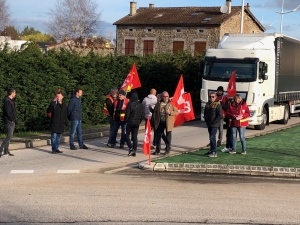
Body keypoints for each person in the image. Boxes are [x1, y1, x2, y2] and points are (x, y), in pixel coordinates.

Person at [151, 91, 178, 155]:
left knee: (168, 135)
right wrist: (150, 109)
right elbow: (155, 112)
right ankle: (158, 150)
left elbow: (177, 112)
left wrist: (170, 113)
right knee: (158, 135)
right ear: (162, 97)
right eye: (164, 96)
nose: (166, 97)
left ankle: (168, 149)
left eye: (167, 96)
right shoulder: (159, 104)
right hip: (160, 121)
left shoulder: (171, 104)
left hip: (168, 122)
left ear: (168, 97)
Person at [125, 91, 145, 156]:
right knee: (134, 136)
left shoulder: (130, 104)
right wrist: (139, 121)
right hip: (137, 122)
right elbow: (142, 115)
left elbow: (127, 114)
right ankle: (134, 150)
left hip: (130, 121)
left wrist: (125, 121)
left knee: (126, 135)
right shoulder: (141, 105)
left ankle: (130, 148)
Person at [203, 92, 223, 157]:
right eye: (210, 96)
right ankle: (211, 150)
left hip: (214, 124)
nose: (211, 98)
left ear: (216, 97)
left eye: (213, 96)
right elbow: (205, 113)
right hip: (209, 123)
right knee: (210, 137)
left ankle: (214, 152)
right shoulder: (207, 104)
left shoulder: (218, 104)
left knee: (212, 137)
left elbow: (220, 115)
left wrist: (214, 122)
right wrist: (206, 120)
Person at [0, 88, 17, 157]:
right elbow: (8, 112)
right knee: (9, 137)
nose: (15, 94)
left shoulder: (10, 100)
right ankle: (1, 150)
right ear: (11, 93)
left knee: (9, 136)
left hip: (11, 120)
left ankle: (6, 151)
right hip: (9, 121)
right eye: (14, 92)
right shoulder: (7, 101)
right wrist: (12, 119)